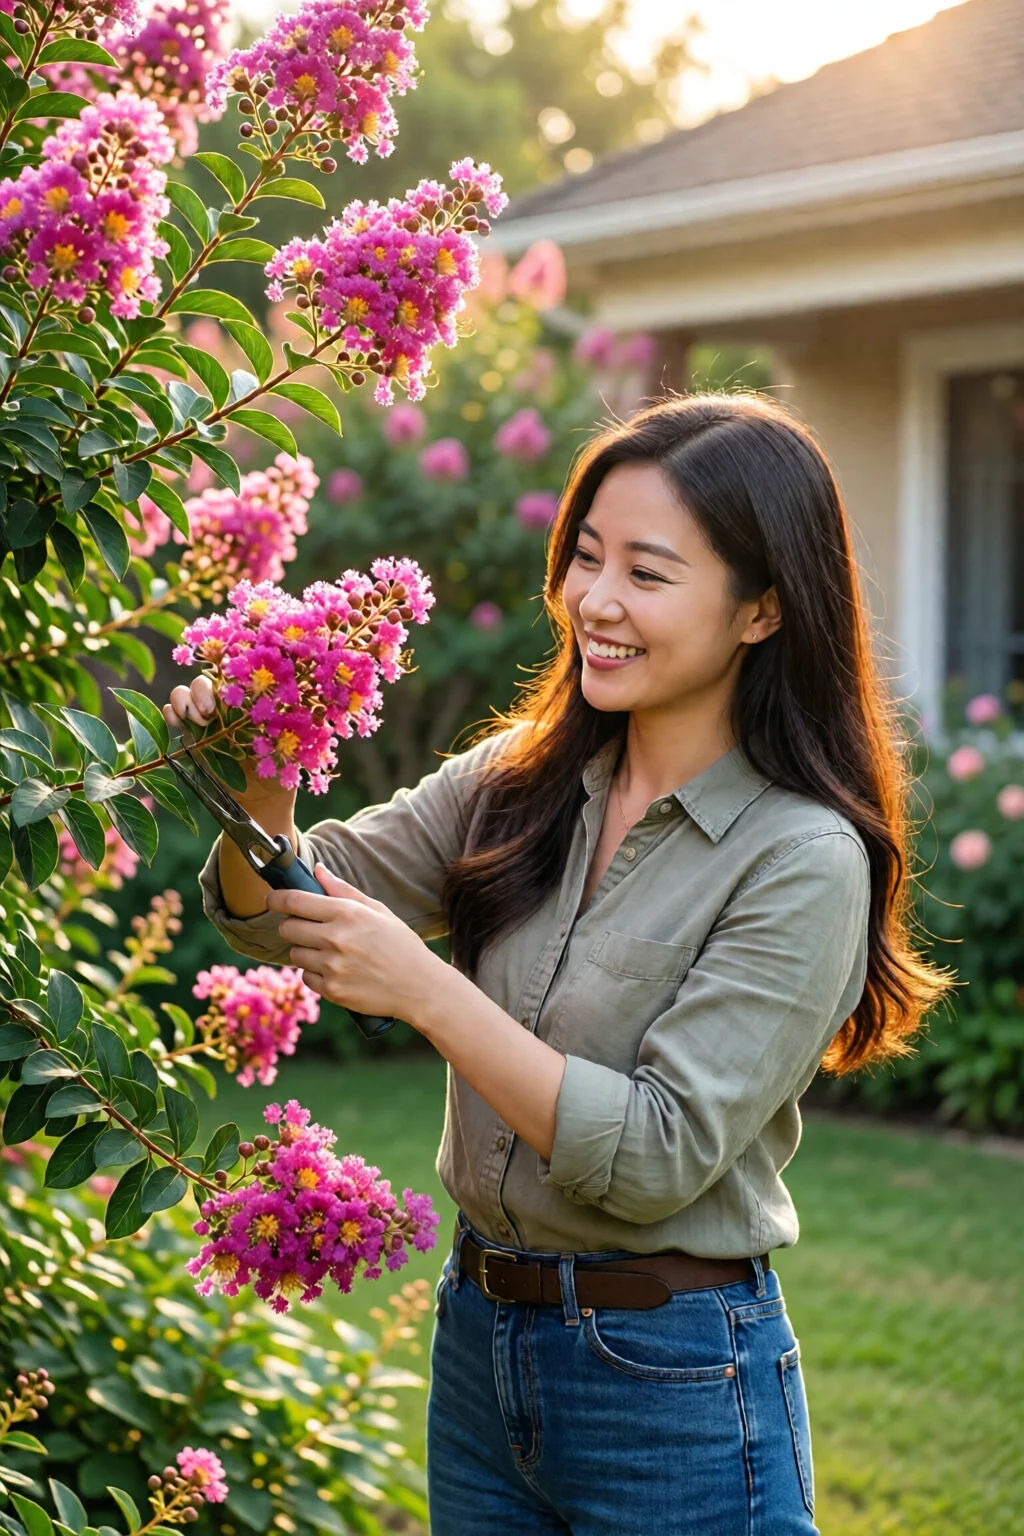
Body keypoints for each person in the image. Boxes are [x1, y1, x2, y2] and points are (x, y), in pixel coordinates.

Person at [166, 392, 949, 1535]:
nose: (595, 601)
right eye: (586, 558)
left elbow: (651, 1157)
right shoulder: (517, 780)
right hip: (481, 1344)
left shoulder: (801, 857)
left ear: (762, 609)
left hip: (670, 1377)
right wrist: (266, 780)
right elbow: (275, 912)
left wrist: (426, 992)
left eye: (647, 571)